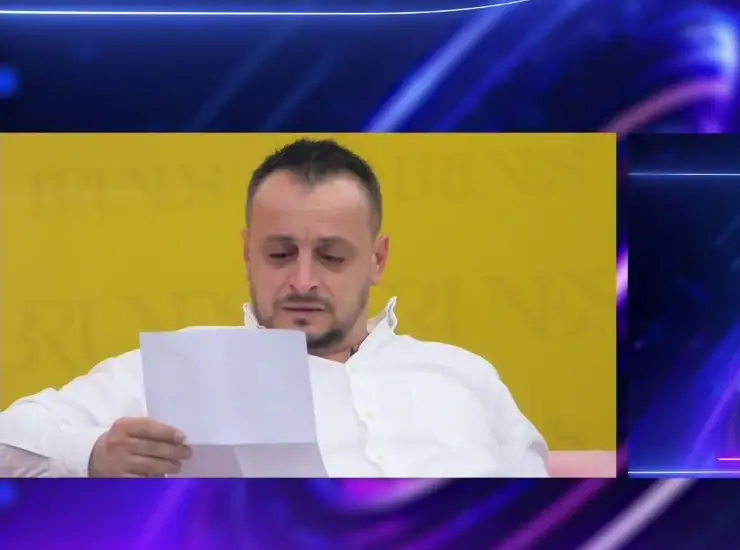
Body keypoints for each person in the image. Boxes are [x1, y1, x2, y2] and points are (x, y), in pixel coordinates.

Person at [0, 138, 548, 478]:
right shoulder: (181, 370)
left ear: (377, 260)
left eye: (331, 256)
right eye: (280, 254)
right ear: (248, 255)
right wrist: (93, 455)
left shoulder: (463, 374)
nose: (302, 281)